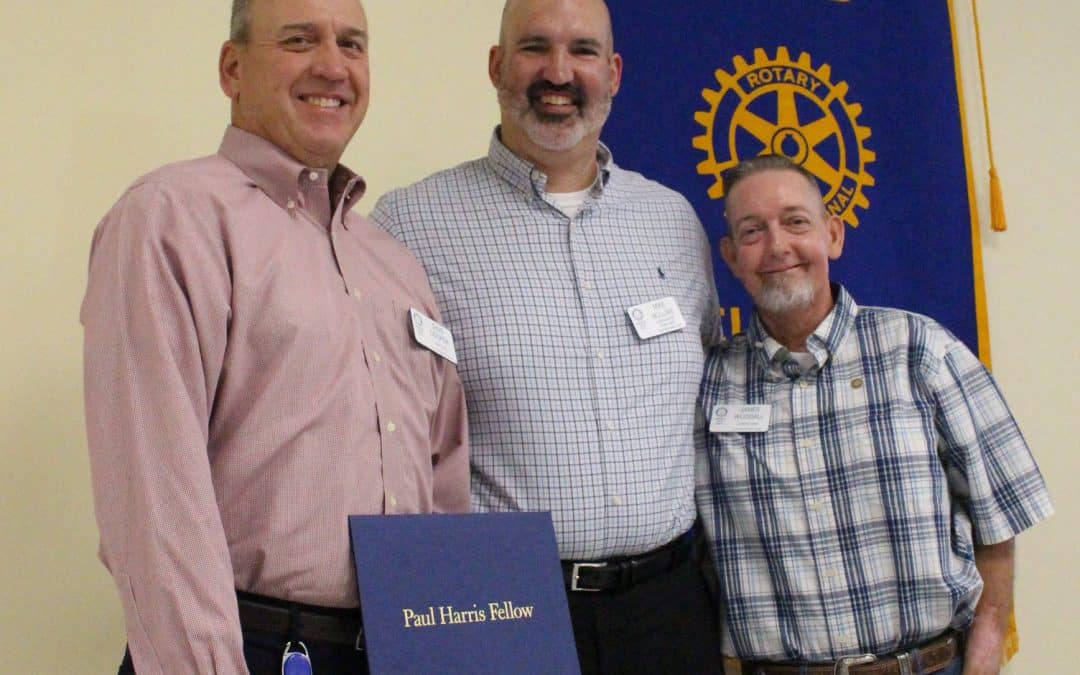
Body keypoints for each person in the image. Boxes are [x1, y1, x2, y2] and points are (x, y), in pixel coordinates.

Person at [81, 1, 469, 673]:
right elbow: (155, 502)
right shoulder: (171, 219)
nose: (333, 65)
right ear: (233, 68)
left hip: (398, 647)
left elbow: (444, 476)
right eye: (299, 40)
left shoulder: (394, 264)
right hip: (247, 648)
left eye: (352, 44)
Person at [370, 1, 724, 672]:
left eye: (583, 51)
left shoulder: (672, 221)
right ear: (497, 66)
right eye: (535, 47)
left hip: (671, 606)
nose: (559, 72)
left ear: (614, 72)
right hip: (503, 608)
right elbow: (384, 432)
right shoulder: (410, 224)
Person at [697, 154, 1053, 675]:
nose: (777, 246)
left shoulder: (921, 350)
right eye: (753, 231)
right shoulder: (707, 387)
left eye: (796, 222)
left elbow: (998, 519)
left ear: (833, 236)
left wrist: (984, 658)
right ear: (730, 257)